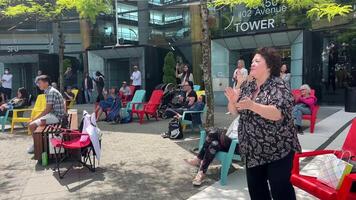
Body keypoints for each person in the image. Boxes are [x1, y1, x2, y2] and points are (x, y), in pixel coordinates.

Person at [225, 47, 301, 200]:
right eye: (252, 60)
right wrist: (233, 102)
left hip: (278, 150)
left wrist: (253, 106)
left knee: (280, 190)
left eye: (257, 61)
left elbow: (277, 113)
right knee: (257, 191)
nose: (252, 63)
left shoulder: (278, 85)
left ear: (269, 66)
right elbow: (236, 111)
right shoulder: (249, 86)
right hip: (253, 151)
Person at [27, 75, 66, 154]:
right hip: (56, 115)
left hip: (57, 117)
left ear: (46, 83)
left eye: (39, 83)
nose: (38, 85)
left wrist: (34, 119)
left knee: (31, 125)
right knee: (34, 124)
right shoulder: (49, 91)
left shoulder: (51, 92)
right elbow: (48, 110)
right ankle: (38, 144)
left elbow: (47, 110)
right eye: (37, 83)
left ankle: (36, 145)